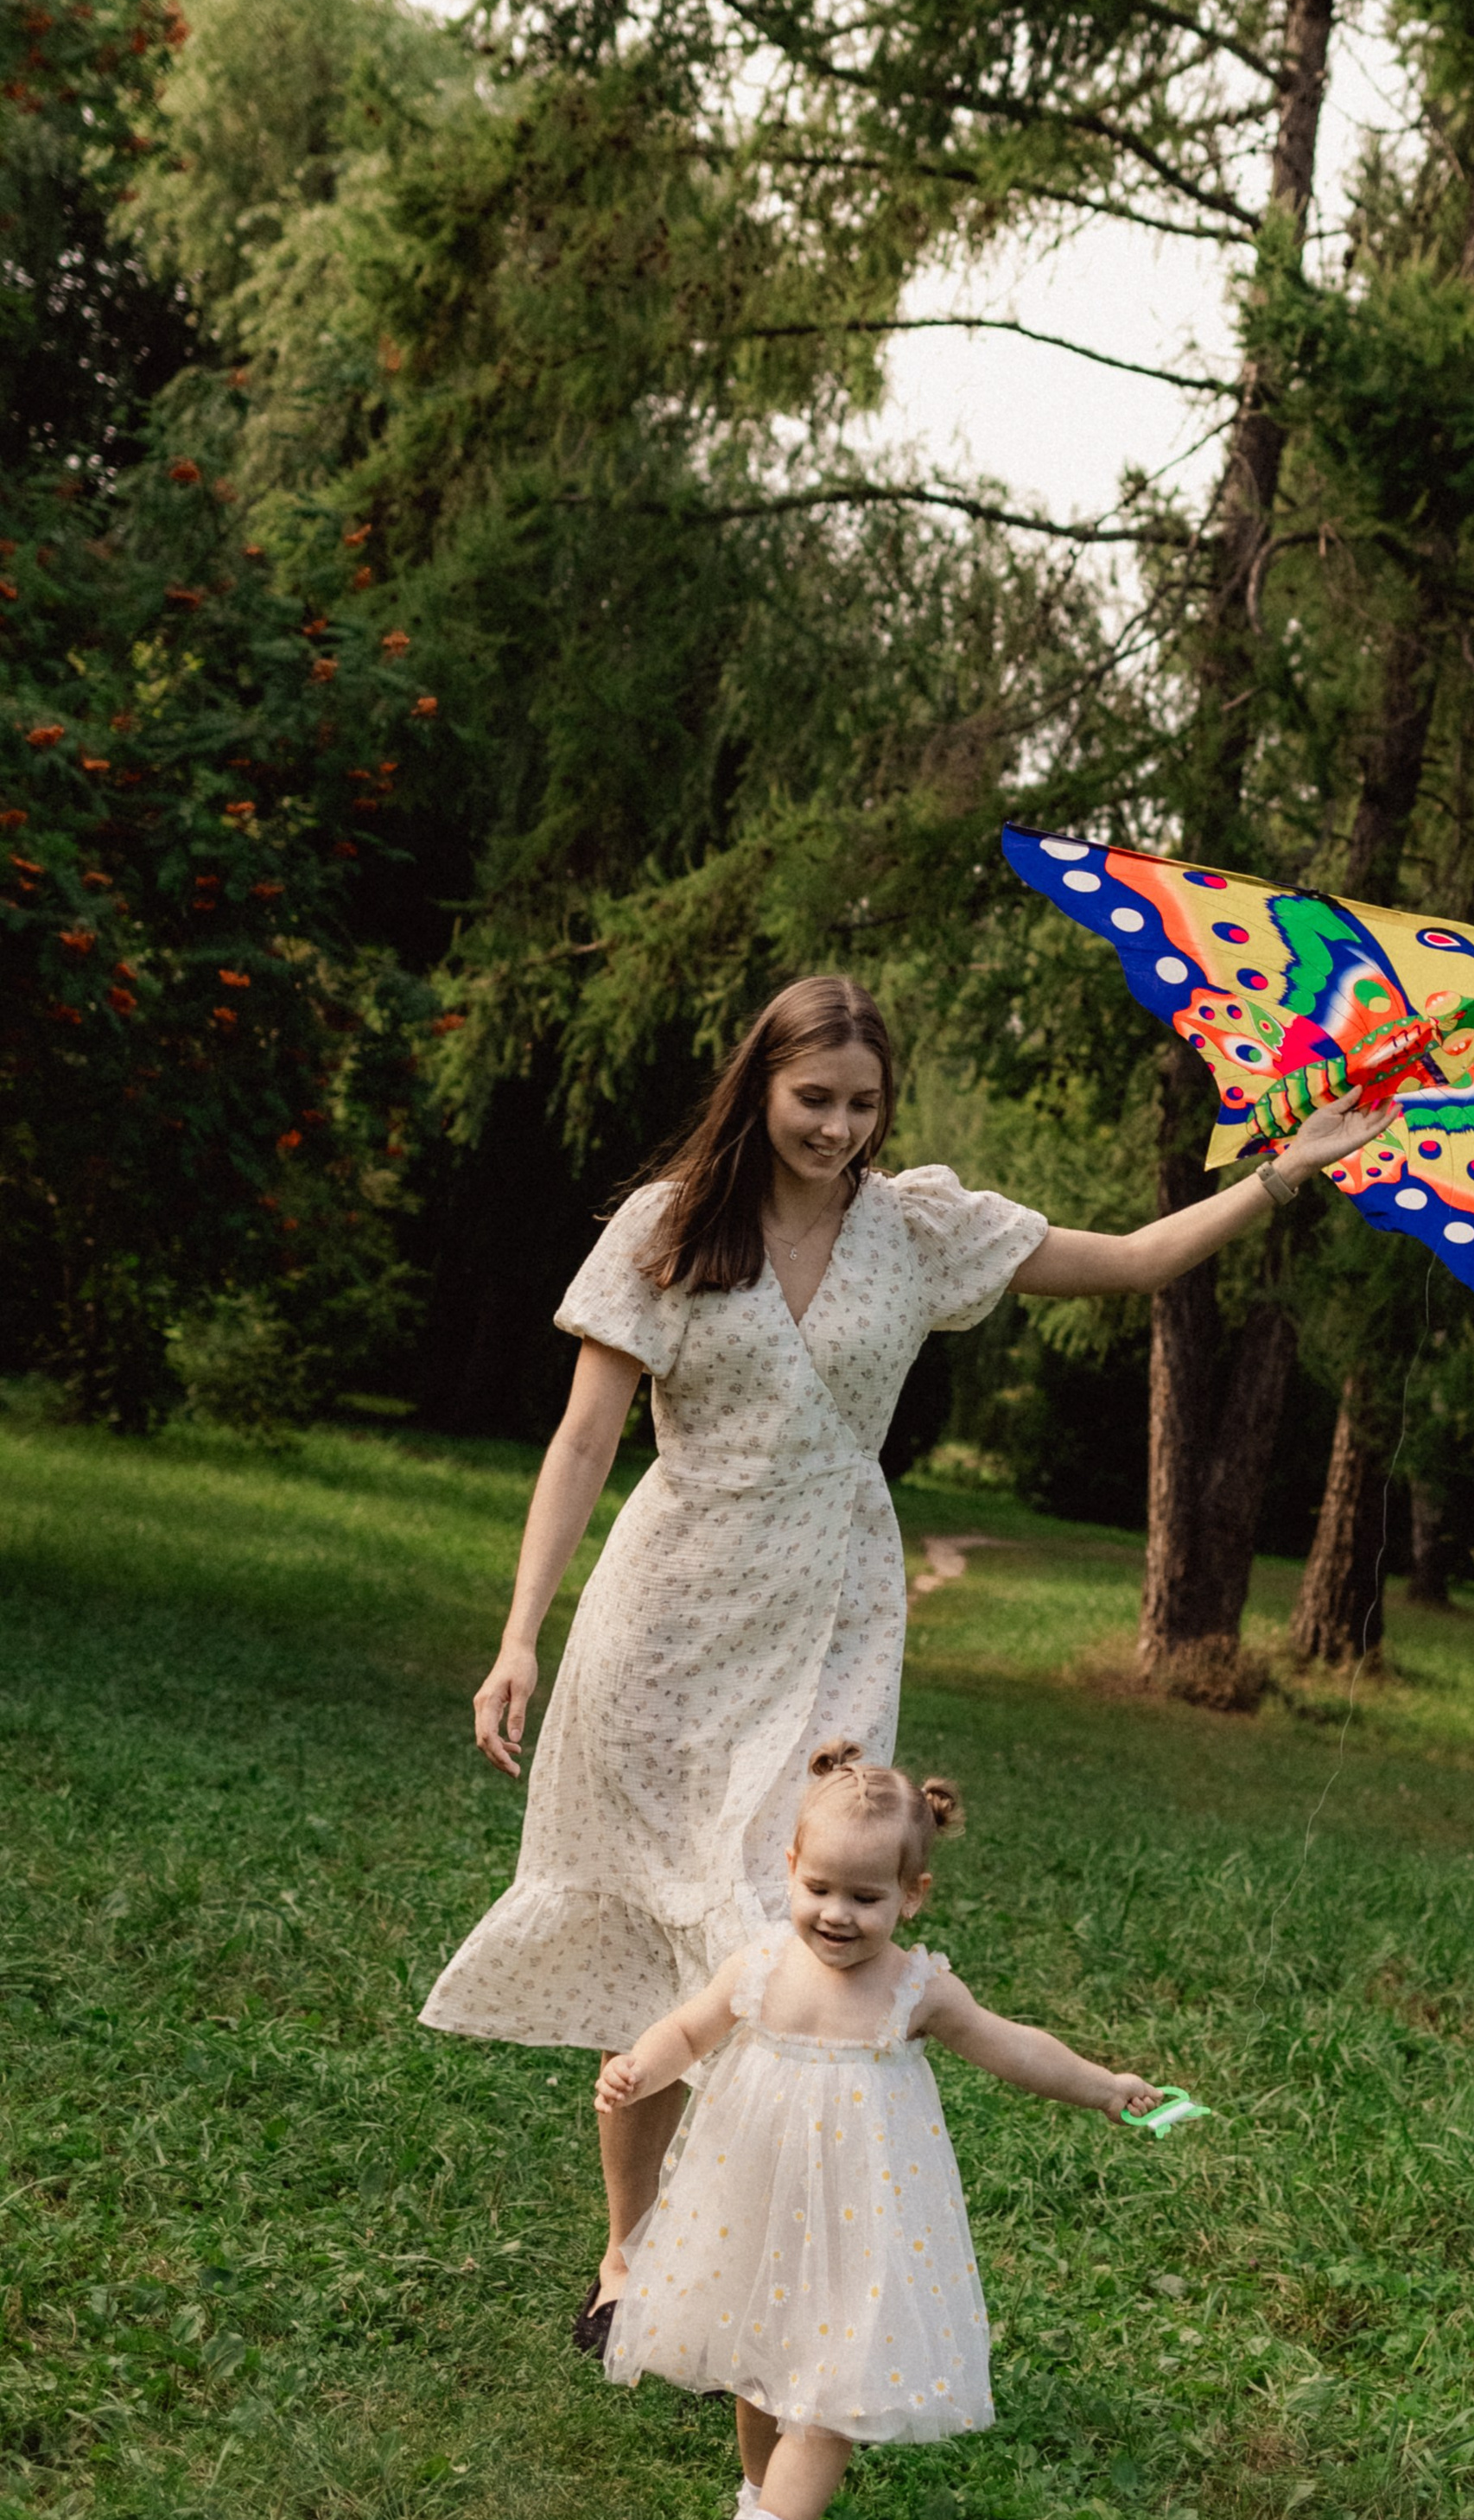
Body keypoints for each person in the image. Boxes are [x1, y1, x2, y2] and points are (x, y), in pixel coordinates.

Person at [417, 969, 1384, 2350]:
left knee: (785, 1920)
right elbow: (581, 1442)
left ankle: (741, 2271)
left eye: (863, 1104)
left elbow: (1131, 1259)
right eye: (814, 1098)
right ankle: (630, 2254)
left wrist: (1285, 1174)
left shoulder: (919, 1230)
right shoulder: (669, 1226)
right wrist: (520, 1634)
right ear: (760, 1084)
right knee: (649, 1942)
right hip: (669, 1616)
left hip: (831, 1608)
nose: (837, 1127)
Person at [594, 1742, 1159, 2520]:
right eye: (820, 1888)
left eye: (866, 1898)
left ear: (912, 1896)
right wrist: (639, 2064)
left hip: (863, 2216)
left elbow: (1012, 2043)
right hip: (759, 2201)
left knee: (830, 2388)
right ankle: (757, 2506)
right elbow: (690, 2028)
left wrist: (1102, 2086)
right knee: (758, 2368)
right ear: (790, 1869)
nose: (837, 1914)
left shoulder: (916, 1988)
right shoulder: (759, 1965)